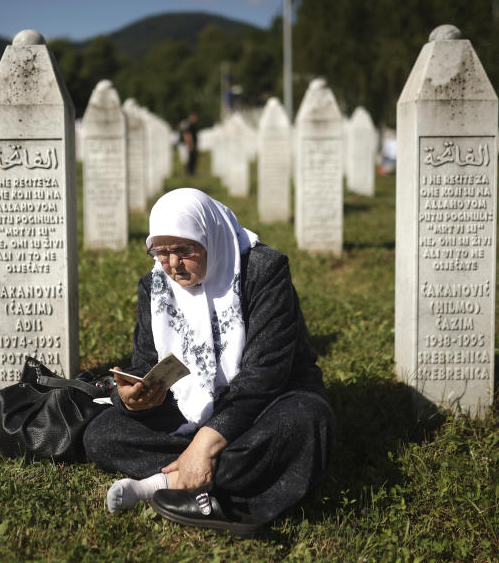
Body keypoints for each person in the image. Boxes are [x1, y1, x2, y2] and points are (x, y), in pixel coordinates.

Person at [83, 188, 333, 536]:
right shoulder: (154, 286)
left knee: (307, 421)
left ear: (209, 236)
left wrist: (206, 441)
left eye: (184, 249)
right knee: (102, 435)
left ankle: (165, 480)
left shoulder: (263, 272)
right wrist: (132, 397)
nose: (171, 263)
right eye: (161, 251)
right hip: (189, 406)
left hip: (266, 402)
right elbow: (144, 362)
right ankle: (217, 473)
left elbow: (266, 373)